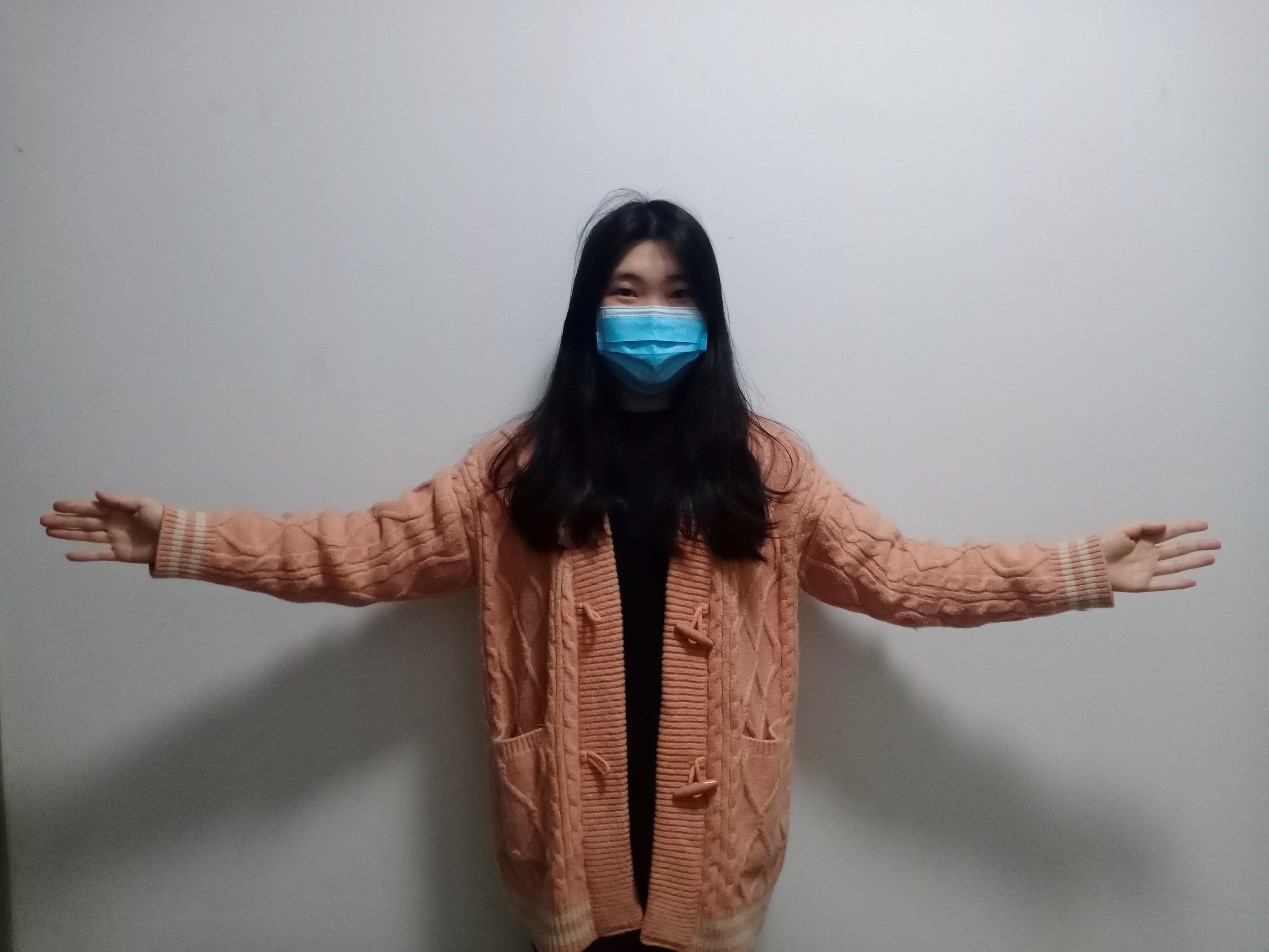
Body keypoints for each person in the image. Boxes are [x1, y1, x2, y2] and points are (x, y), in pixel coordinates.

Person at [39, 191, 1219, 952]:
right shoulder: (517, 471)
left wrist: (1081, 568)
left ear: (710, 314)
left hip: (715, 863)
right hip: (567, 852)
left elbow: (906, 575)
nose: (653, 314)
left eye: (677, 292)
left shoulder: (768, 468)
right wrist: (182, 540)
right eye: (627, 289)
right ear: (589, 309)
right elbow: (355, 551)